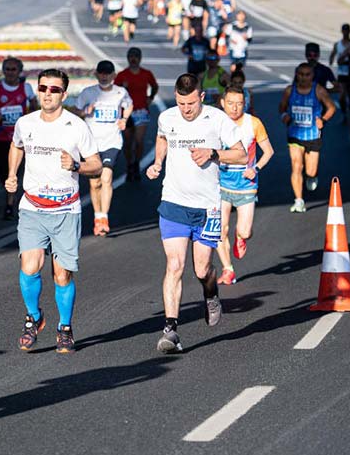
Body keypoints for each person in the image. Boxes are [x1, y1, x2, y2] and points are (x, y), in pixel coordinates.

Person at [146, 74, 246, 353]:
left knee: (202, 269)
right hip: (173, 203)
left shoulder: (217, 120)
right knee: (174, 265)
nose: (186, 109)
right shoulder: (167, 117)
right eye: (181, 103)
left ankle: (211, 293)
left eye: (190, 103)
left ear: (201, 97)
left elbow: (241, 155)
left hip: (207, 207)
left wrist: (213, 153)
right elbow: (162, 138)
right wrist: (157, 162)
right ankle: (170, 330)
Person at [7, 68, 102, 354]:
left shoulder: (76, 126)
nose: (47, 94)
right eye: (43, 88)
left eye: (54, 89)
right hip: (33, 207)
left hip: (66, 210)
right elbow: (16, 146)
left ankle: (64, 327)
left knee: (62, 276)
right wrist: (12, 173)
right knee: (29, 266)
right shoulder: (25, 123)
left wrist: (76, 165)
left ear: (64, 94)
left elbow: (96, 165)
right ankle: (34, 318)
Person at [214, 86, 273, 284]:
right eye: (230, 103)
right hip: (221, 184)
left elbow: (269, 151)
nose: (234, 108)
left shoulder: (253, 123)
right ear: (223, 103)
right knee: (220, 230)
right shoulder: (215, 122)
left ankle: (241, 237)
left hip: (246, 185)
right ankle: (228, 269)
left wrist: (255, 168)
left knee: (245, 231)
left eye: (239, 104)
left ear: (244, 104)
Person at [74, 61, 133, 236]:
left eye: (108, 73)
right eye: (101, 73)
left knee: (106, 178)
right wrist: (85, 111)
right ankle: (97, 216)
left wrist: (124, 119)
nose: (104, 76)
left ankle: (104, 218)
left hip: (111, 142)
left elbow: (129, 105)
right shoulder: (88, 93)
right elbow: (76, 112)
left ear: (113, 75)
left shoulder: (120, 92)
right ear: (96, 74)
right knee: (95, 183)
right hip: (91, 145)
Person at [0, 57, 37, 220]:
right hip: (2, 137)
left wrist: (29, 118)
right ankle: (11, 198)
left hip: (21, 139)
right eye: (7, 69)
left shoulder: (26, 88)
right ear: (3, 71)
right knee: (4, 173)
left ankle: (10, 205)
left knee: (17, 171)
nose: (10, 73)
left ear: (20, 71)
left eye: (13, 69)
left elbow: (34, 105)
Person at [279, 63, 337, 213]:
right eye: (301, 74)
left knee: (311, 171)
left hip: (312, 136)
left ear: (312, 76)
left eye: (307, 74)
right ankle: (299, 201)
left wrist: (323, 120)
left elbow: (332, 107)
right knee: (296, 165)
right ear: (296, 75)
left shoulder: (318, 90)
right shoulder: (290, 90)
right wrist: (284, 116)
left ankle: (311, 176)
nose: (304, 77)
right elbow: (282, 106)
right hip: (295, 135)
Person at [114, 47, 159, 180]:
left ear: (140, 59)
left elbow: (154, 86)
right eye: (131, 57)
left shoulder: (146, 73)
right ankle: (129, 165)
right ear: (128, 58)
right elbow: (114, 91)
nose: (133, 59)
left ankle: (136, 164)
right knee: (128, 142)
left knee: (139, 141)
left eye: (136, 57)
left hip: (141, 111)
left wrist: (151, 97)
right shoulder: (122, 75)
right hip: (126, 112)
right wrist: (123, 88)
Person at [330, 24, 350, 120]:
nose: (346, 32)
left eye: (347, 30)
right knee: (341, 97)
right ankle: (344, 113)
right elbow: (333, 54)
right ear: (342, 31)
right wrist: (331, 60)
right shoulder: (337, 44)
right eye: (344, 30)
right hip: (342, 74)